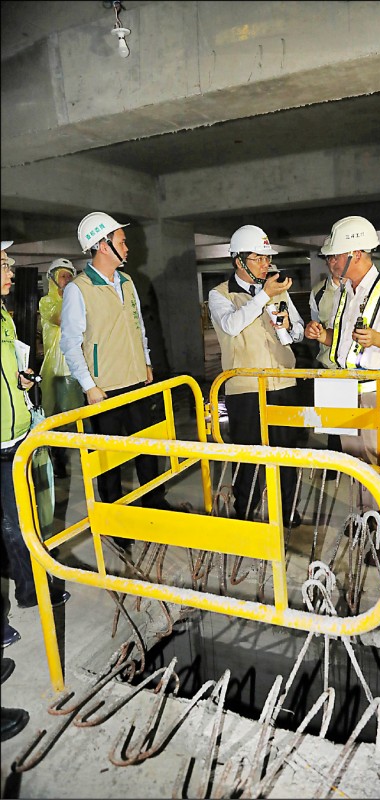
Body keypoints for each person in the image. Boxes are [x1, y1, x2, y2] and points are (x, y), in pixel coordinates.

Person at [60, 213, 177, 548]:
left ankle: (154, 503)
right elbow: (70, 342)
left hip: (137, 380)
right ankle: (113, 521)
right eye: (121, 240)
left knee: (146, 448)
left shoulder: (127, 282)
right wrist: (89, 386)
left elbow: (138, 326)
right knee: (109, 458)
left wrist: (147, 363)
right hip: (105, 389)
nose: (127, 246)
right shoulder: (78, 290)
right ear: (102, 244)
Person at [304, 216, 380, 520]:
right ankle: (368, 519)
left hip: (372, 391)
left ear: (358, 254)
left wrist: (377, 338)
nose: (331, 262)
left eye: (336, 256)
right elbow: (340, 342)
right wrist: (321, 335)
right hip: (343, 388)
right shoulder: (346, 293)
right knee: (356, 464)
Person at [208, 224, 305, 527]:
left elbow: (299, 332)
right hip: (245, 388)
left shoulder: (278, 291)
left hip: (283, 382)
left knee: (288, 454)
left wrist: (288, 326)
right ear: (239, 262)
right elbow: (232, 325)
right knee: (249, 455)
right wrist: (263, 296)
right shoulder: (220, 295)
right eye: (259, 259)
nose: (267, 265)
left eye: (268, 258)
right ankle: (246, 513)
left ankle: (287, 509)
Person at [1, 241, 70, 621]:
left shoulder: (5, 315)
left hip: (14, 434)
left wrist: (21, 380)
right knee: (13, 521)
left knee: (18, 519)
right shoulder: (45, 304)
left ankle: (29, 592)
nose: (11, 271)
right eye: (4, 264)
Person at [39, 258, 84, 478]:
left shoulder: (76, 300)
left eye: (69, 276)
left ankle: (91, 455)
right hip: (55, 372)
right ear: (53, 280)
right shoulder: (46, 302)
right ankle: (58, 460)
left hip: (74, 367)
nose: (66, 280)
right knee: (55, 417)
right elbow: (61, 318)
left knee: (81, 415)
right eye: (62, 276)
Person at [309, 237, 343, 476]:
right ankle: (333, 467)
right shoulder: (318, 292)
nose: (334, 262)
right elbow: (314, 322)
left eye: (337, 256)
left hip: (357, 369)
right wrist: (313, 331)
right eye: (329, 257)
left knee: (357, 424)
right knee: (332, 422)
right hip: (329, 366)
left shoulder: (363, 289)